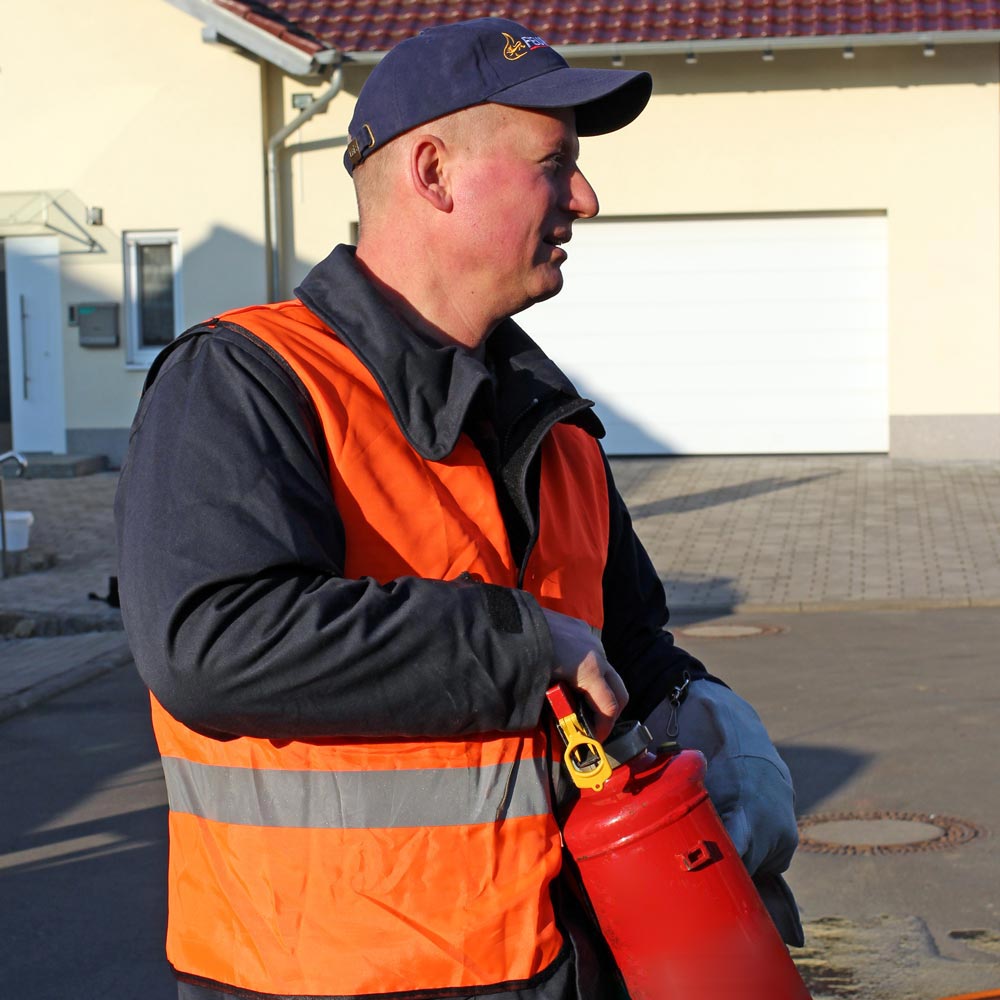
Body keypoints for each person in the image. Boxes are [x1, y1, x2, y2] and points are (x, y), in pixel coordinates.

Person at [115, 17, 800, 1000]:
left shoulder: (552, 423)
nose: (587, 198)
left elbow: (622, 643)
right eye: (554, 164)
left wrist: (710, 724)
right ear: (432, 173)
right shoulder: (247, 380)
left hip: (559, 969)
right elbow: (210, 642)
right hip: (331, 979)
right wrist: (528, 646)